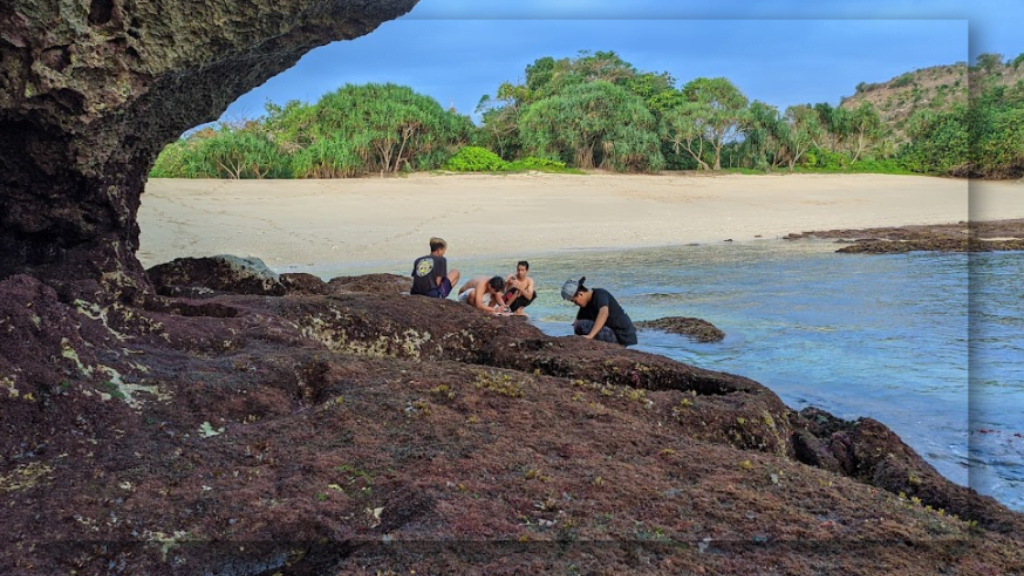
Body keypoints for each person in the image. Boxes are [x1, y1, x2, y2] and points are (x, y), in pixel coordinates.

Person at [561, 276, 637, 347]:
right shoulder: (585, 305)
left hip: (621, 336)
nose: (575, 304)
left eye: (575, 301)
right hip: (614, 334)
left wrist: (590, 336)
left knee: (581, 324)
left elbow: (604, 313)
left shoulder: (599, 294)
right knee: (578, 324)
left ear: (580, 294)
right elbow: (576, 323)